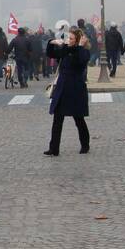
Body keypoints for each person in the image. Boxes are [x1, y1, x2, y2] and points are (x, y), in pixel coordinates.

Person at [45, 27, 92, 156]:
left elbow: (81, 61)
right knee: (57, 119)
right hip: (62, 88)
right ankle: (54, 148)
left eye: (71, 39)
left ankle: (85, 144)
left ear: (77, 40)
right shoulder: (65, 50)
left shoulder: (83, 51)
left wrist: (81, 46)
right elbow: (51, 54)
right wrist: (52, 42)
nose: (68, 40)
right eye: (68, 38)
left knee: (79, 119)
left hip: (75, 90)